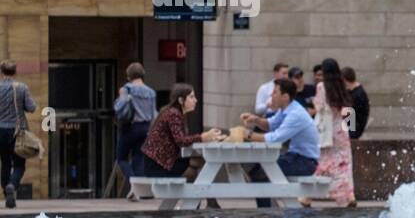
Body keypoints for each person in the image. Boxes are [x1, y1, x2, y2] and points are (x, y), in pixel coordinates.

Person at [241, 77, 320, 208]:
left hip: (306, 162)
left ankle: (266, 214)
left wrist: (247, 135)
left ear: (285, 97)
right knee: (257, 170)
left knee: (261, 172)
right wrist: (255, 119)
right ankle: (268, 211)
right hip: (295, 157)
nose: (271, 95)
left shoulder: (295, 114)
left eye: (275, 92)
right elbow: (271, 125)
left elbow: (275, 138)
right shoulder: (286, 109)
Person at [140, 83, 223, 177]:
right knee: (194, 162)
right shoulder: (173, 114)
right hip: (157, 164)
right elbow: (181, 140)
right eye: (191, 97)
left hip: (158, 161)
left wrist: (202, 137)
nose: (195, 100)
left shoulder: (175, 112)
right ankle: (193, 189)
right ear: (181, 100)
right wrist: (202, 137)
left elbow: (180, 139)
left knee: (195, 162)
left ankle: (192, 188)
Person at [311, 57, 356, 208]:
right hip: (342, 128)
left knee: (325, 162)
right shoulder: (342, 85)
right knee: (344, 163)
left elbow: (319, 107)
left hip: (327, 130)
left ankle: (307, 196)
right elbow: (348, 107)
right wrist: (351, 127)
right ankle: (349, 195)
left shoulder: (321, 87)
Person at [114, 62, 158, 198]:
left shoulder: (127, 89)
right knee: (138, 160)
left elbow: (118, 107)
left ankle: (134, 187)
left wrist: (123, 95)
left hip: (130, 127)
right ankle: (141, 192)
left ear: (129, 76)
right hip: (145, 128)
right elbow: (154, 114)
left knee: (121, 158)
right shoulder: (151, 92)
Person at [0, 59, 37, 209]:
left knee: (5, 164)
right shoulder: (21, 88)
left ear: (2, 72)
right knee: (19, 165)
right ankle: (12, 185)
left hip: (0, 131)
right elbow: (32, 107)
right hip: (17, 132)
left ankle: (7, 192)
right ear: (15, 72)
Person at [343, 66, 370, 140]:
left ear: (344, 80)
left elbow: (351, 112)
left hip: (353, 130)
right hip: (351, 128)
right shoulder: (354, 92)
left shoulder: (358, 94)